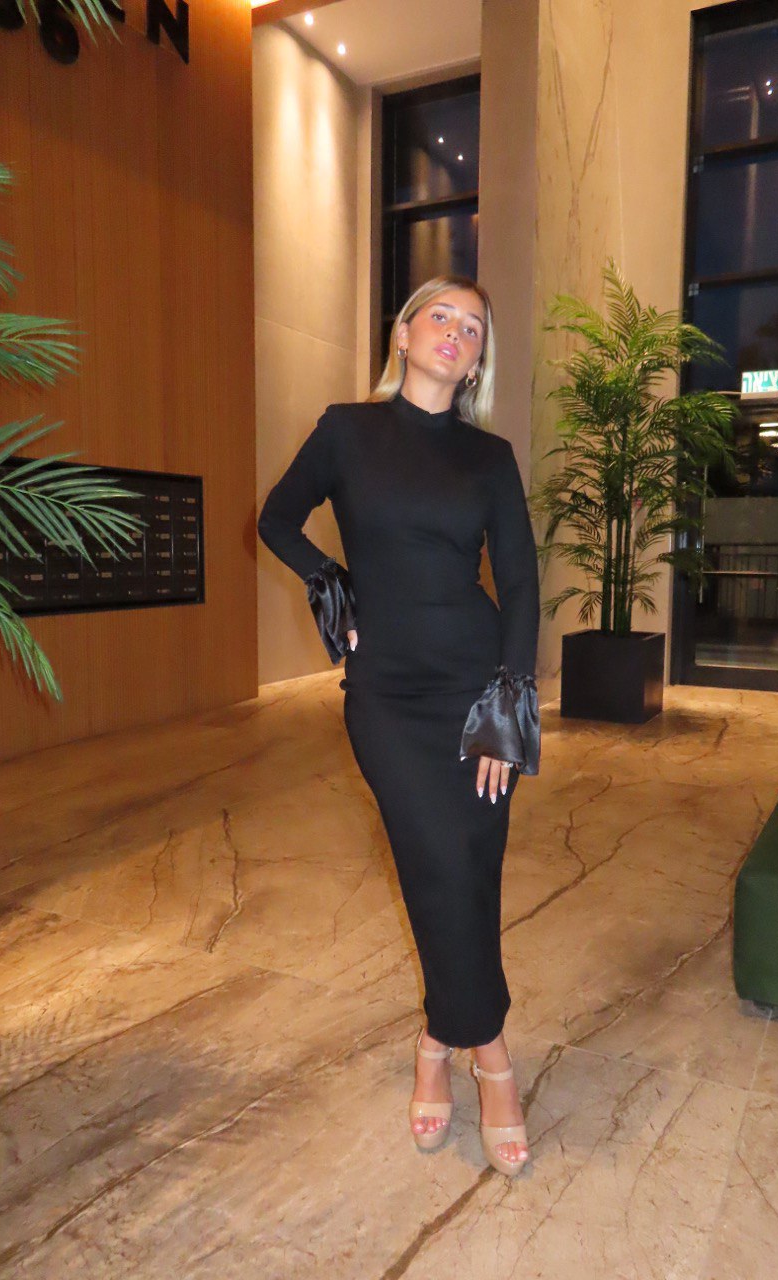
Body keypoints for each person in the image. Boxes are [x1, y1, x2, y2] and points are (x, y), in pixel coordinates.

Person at [256, 275, 541, 1177]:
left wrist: (510, 703)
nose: (457, 332)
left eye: (474, 328)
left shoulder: (489, 457)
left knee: (471, 869)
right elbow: (275, 518)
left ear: (478, 360)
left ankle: (435, 1043)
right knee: (433, 862)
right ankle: (491, 1056)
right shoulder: (347, 431)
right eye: (441, 316)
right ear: (405, 334)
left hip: (475, 690)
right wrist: (330, 583)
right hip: (386, 695)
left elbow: (521, 584)